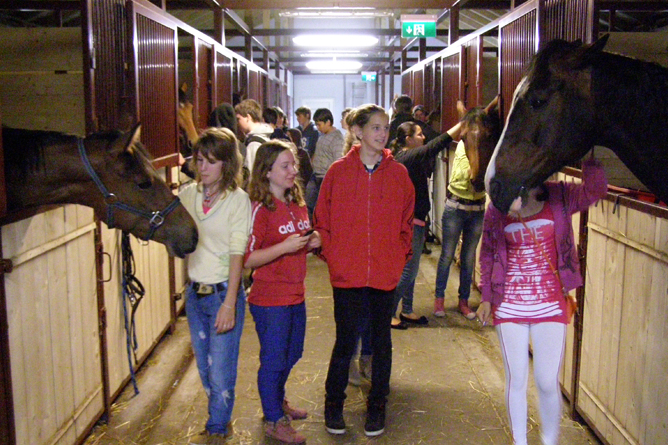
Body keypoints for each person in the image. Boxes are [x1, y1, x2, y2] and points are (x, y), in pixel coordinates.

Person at [476, 157, 607, 445]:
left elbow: (595, 190)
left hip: (550, 303)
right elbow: (488, 252)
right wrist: (486, 296)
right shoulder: (499, 206)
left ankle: (549, 440)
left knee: (547, 382)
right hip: (509, 304)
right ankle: (520, 441)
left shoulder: (560, 195)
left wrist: (590, 153)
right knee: (517, 379)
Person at [314, 104, 414, 438]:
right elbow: (322, 220)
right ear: (357, 131)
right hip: (348, 275)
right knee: (345, 342)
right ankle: (333, 404)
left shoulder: (398, 174)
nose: (383, 134)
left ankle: (377, 405)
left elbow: (406, 222)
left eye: (385, 127)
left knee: (382, 343)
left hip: (384, 275)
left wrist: (397, 258)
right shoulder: (338, 172)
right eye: (375, 127)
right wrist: (335, 257)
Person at [245, 140, 321, 445]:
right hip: (269, 299)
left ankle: (276, 399)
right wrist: (284, 248)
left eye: (294, 165)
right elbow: (247, 259)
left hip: (296, 294)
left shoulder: (297, 203)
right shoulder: (259, 210)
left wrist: (312, 242)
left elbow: (299, 242)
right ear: (267, 172)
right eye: (285, 166)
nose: (293, 171)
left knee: (294, 353)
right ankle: (274, 419)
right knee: (274, 360)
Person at [179, 127, 251, 445]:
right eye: (199, 160)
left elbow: (237, 253)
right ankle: (218, 418)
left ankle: (217, 428)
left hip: (223, 292)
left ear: (226, 163)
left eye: (211, 161)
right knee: (205, 368)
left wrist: (230, 303)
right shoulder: (187, 195)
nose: (203, 167)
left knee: (221, 369)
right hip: (195, 294)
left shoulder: (238, 201)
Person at [390, 120, 462, 329]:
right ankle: (388, 311)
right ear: (408, 139)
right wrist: (460, 126)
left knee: (411, 269)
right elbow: (434, 146)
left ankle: (407, 309)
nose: (423, 137)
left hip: (417, 219)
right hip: (411, 221)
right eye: (419, 134)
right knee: (409, 271)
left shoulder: (407, 157)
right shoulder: (406, 157)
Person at [305, 108, 344, 217]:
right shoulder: (322, 135)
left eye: (319, 124)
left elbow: (338, 160)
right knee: (308, 206)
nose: (318, 127)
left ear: (328, 122)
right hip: (316, 176)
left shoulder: (337, 138)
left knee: (321, 210)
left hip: (325, 178)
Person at [235, 99, 273, 174]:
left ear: (248, 117)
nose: (237, 123)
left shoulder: (254, 144)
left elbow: (251, 173)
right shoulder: (265, 135)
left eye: (239, 119)